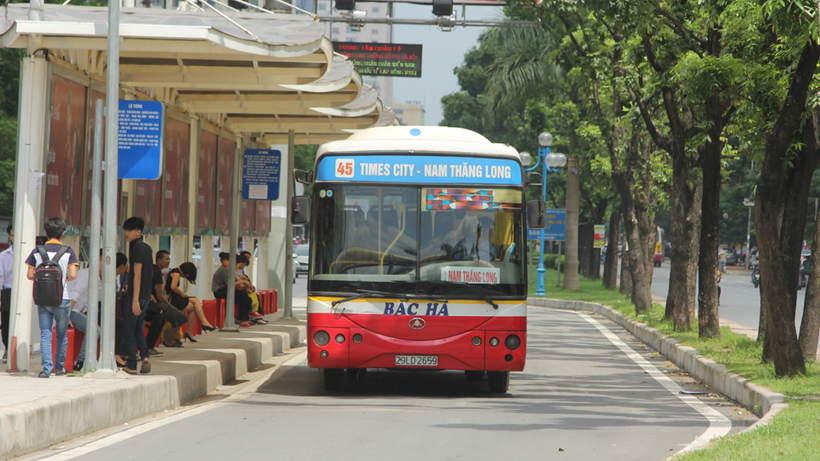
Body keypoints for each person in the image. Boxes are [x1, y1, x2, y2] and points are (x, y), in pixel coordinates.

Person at [25, 217, 79, 378]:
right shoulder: (69, 252)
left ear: (46, 233)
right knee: (61, 334)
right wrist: (63, 279)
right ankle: (60, 368)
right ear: (63, 233)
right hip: (63, 298)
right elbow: (73, 275)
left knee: (46, 333)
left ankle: (46, 369)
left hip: (43, 299)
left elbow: (29, 275)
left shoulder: (37, 251)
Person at [68, 252, 128, 371]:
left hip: (82, 311)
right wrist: (66, 316)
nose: (106, 264)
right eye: (102, 260)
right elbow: (74, 295)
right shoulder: (88, 274)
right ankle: (81, 361)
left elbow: (102, 298)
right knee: (94, 330)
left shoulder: (99, 278)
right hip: (71, 311)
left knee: (115, 324)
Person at [122, 217, 153, 374]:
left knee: (128, 330)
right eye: (125, 230)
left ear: (138, 232)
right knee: (137, 329)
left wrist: (134, 299)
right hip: (146, 295)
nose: (126, 233)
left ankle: (132, 365)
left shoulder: (136, 249)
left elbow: (138, 274)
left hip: (137, 297)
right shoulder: (147, 248)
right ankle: (145, 356)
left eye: (130, 230)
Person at [164, 261, 216, 342]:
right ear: (186, 272)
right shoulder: (176, 273)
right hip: (172, 300)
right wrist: (182, 293)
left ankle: (193, 330)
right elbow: (173, 287)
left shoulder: (174, 270)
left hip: (173, 297)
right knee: (194, 306)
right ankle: (200, 325)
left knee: (195, 302)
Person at [152, 250, 187, 349]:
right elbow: (159, 295)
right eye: (166, 259)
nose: (168, 261)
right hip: (158, 302)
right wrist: (169, 304)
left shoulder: (158, 271)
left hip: (159, 300)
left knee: (177, 317)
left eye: (169, 259)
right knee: (181, 316)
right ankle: (168, 340)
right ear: (159, 260)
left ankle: (169, 339)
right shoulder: (157, 273)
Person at [212, 252, 255, 327]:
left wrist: (244, 285)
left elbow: (235, 282)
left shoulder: (228, 269)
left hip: (226, 290)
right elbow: (229, 284)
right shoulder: (223, 270)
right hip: (219, 291)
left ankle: (242, 320)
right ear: (223, 261)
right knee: (243, 294)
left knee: (243, 301)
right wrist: (243, 281)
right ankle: (250, 310)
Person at [1, 223, 13, 363]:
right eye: (13, 234)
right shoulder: (4, 255)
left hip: (24, 291)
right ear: (10, 236)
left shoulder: (30, 254)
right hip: (8, 291)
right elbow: (1, 276)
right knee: (5, 322)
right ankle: (7, 348)